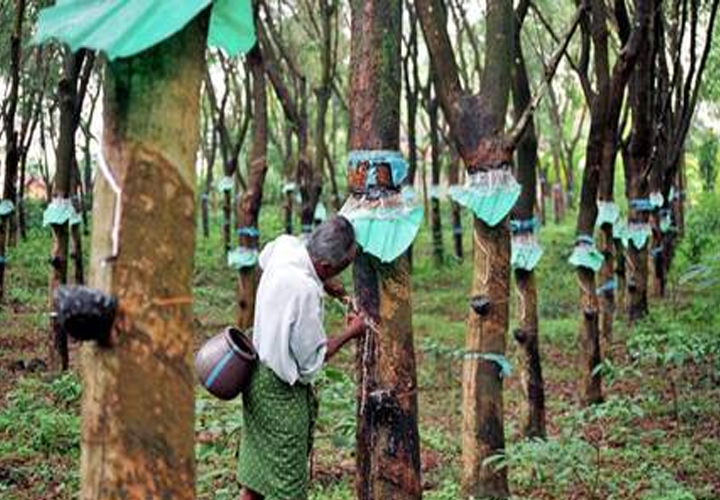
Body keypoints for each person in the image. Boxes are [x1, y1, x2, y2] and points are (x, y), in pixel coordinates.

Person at [237, 216, 367, 500]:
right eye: (338, 270)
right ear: (324, 266)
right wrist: (351, 332)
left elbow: (263, 259)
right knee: (288, 489)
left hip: (255, 377)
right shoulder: (305, 291)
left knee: (254, 482)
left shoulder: (287, 246)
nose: (339, 277)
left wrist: (321, 283)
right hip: (280, 396)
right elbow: (312, 361)